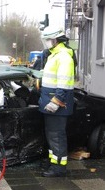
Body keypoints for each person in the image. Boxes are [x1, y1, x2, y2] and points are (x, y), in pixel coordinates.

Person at [39, 26, 75, 177]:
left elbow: (64, 84)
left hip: (56, 105)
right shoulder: (54, 55)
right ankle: (54, 161)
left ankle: (59, 168)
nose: (46, 42)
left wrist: (56, 101)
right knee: (51, 135)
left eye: (48, 39)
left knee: (57, 136)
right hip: (50, 103)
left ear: (54, 39)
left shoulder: (63, 57)